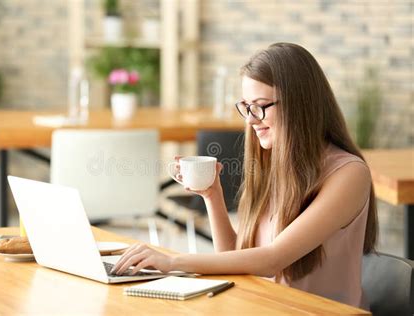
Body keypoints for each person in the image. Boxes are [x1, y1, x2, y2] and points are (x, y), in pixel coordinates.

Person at [111, 42, 378, 308]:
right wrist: (212, 195)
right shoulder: (274, 162)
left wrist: (173, 262)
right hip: (264, 307)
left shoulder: (349, 174)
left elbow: (272, 259)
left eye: (261, 106)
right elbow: (234, 258)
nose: (250, 119)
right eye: (246, 107)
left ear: (301, 104)